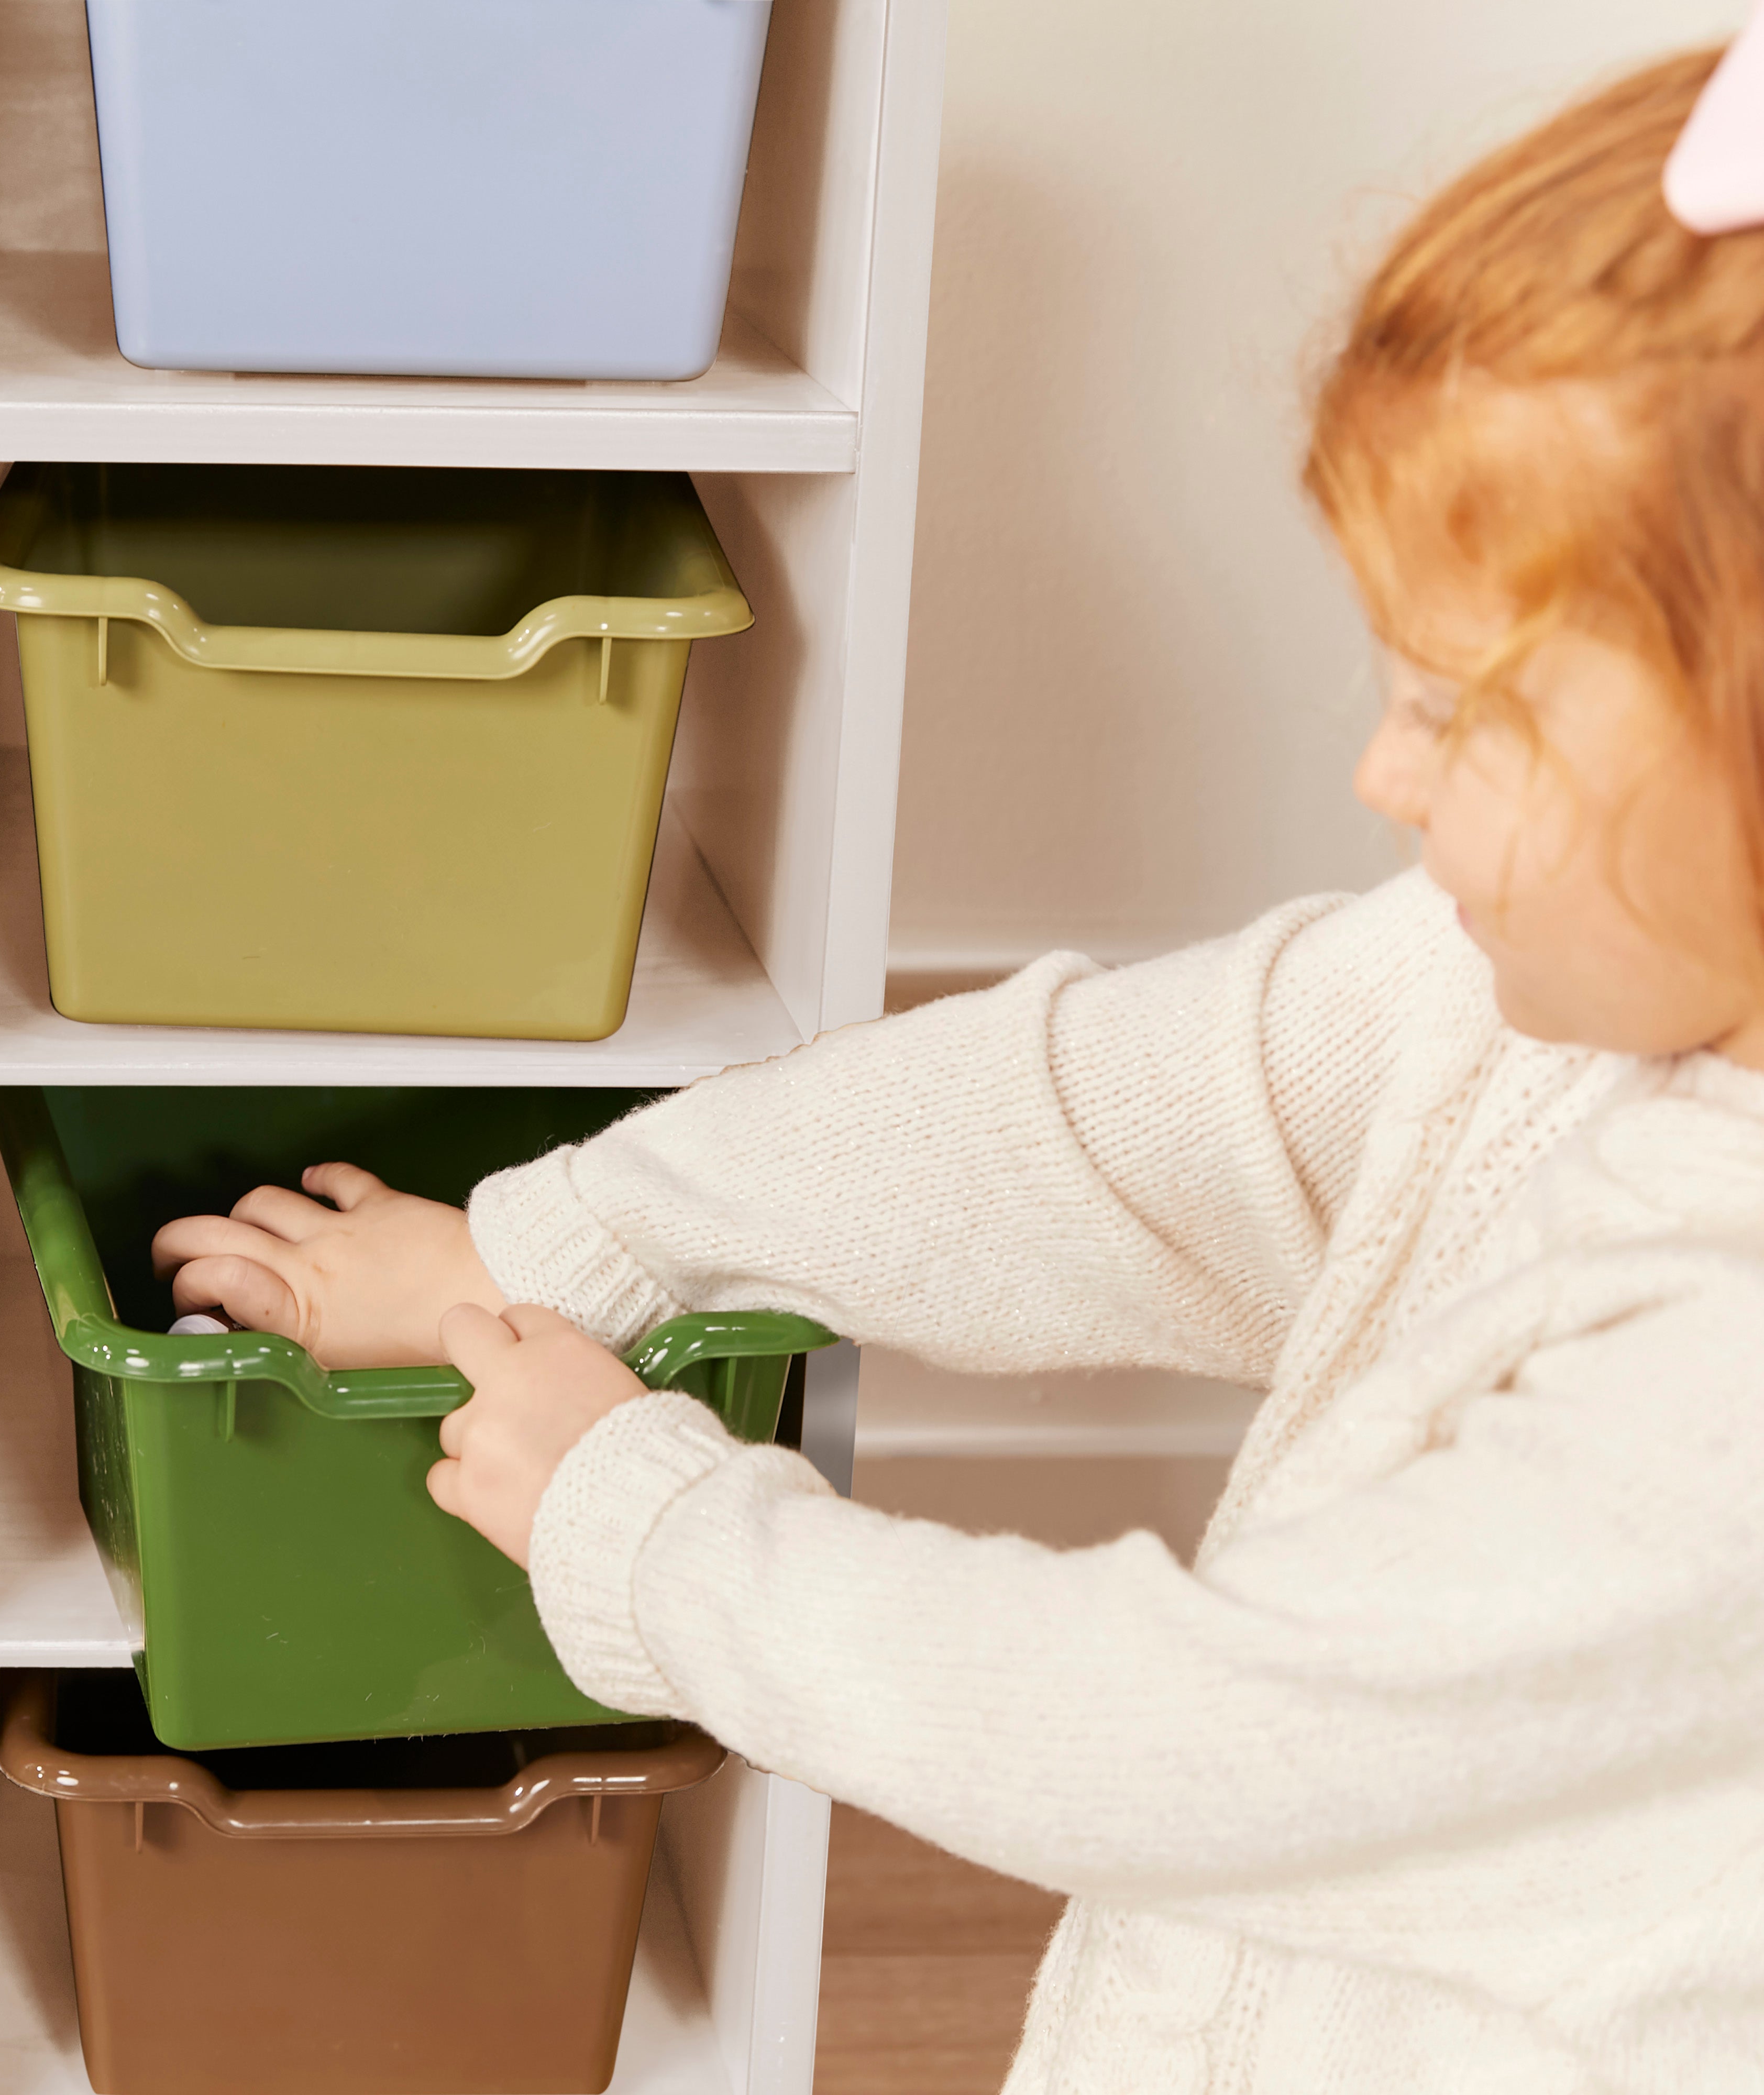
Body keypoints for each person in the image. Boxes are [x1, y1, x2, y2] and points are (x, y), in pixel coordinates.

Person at [151, 42, 1764, 2093]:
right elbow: (1091, 1122)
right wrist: (558, 1236)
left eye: (1459, 714)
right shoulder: (1537, 992)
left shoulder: (1726, 1405)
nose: (1379, 770)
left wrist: (643, 1524)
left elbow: (1186, 1738)